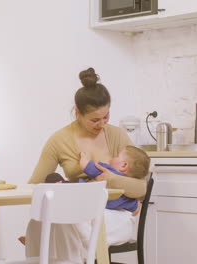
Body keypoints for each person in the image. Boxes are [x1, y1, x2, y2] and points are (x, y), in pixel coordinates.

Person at [24, 67, 147, 264]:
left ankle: (55, 254)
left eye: (106, 117)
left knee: (64, 221)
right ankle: (46, 255)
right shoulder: (59, 140)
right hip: (78, 213)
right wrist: (52, 191)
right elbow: (34, 184)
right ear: (78, 113)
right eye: (95, 120)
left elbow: (142, 186)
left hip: (116, 214)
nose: (102, 124)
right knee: (38, 222)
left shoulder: (117, 136)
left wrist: (111, 179)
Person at [79, 145, 150, 212]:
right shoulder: (128, 197)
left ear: (124, 165)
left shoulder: (107, 171)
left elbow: (85, 165)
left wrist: (83, 156)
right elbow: (135, 207)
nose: (111, 159)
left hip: (85, 200)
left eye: (116, 156)